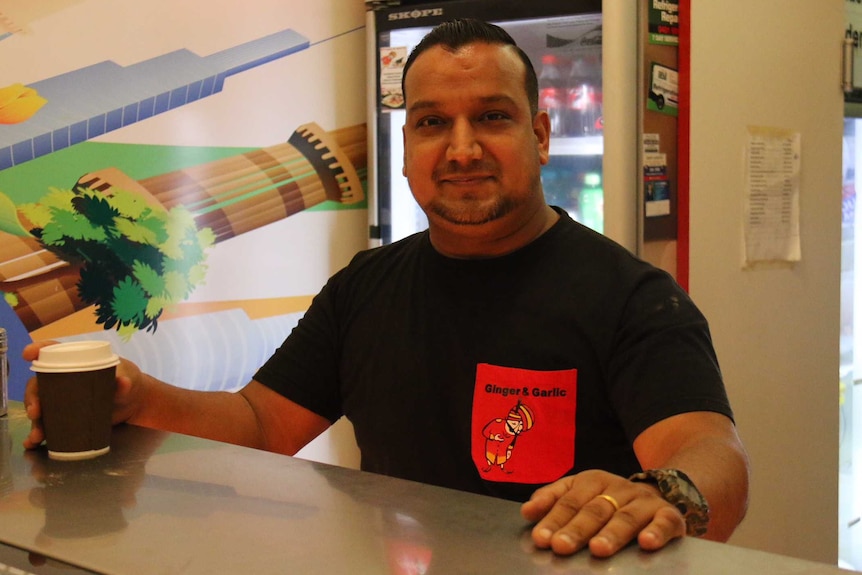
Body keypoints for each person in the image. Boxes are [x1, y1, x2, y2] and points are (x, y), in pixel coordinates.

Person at [22, 19, 749, 558]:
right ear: (407, 150)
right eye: (432, 123)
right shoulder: (366, 287)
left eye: (492, 117)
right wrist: (141, 398)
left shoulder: (632, 295)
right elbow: (261, 423)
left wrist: (665, 492)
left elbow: (714, 452)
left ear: (542, 134)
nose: (461, 148)